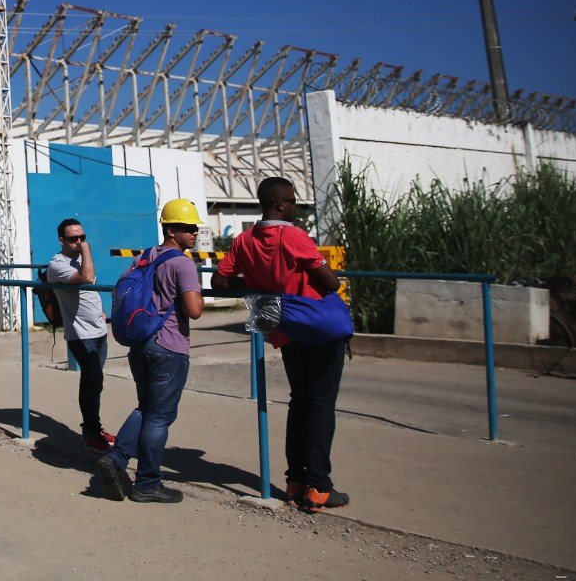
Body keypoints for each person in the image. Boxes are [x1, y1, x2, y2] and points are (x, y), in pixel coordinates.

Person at [212, 176, 349, 512]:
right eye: (293, 201)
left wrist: (257, 282)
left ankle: (295, 480)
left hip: (283, 327)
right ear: (279, 205)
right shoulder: (292, 235)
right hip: (315, 325)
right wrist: (324, 271)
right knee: (320, 405)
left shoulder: (245, 240)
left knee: (299, 402)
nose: (296, 207)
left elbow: (218, 280)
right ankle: (319, 487)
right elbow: (330, 283)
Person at [95, 199, 205, 503]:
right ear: (172, 230)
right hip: (169, 346)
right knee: (160, 416)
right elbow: (194, 310)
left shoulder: (145, 257)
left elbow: (120, 289)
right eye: (188, 227)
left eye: (195, 227)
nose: (194, 232)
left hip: (141, 343)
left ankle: (116, 458)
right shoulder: (183, 263)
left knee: (146, 407)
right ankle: (147, 483)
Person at [45, 218, 115, 452]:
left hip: (98, 328)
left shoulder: (81, 260)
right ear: (61, 240)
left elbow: (90, 290)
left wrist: (100, 310)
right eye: (74, 238)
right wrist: (86, 252)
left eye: (82, 238)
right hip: (80, 333)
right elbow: (85, 279)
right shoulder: (57, 265)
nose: (79, 242)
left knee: (94, 382)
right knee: (93, 380)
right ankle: (91, 433)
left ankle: (93, 428)